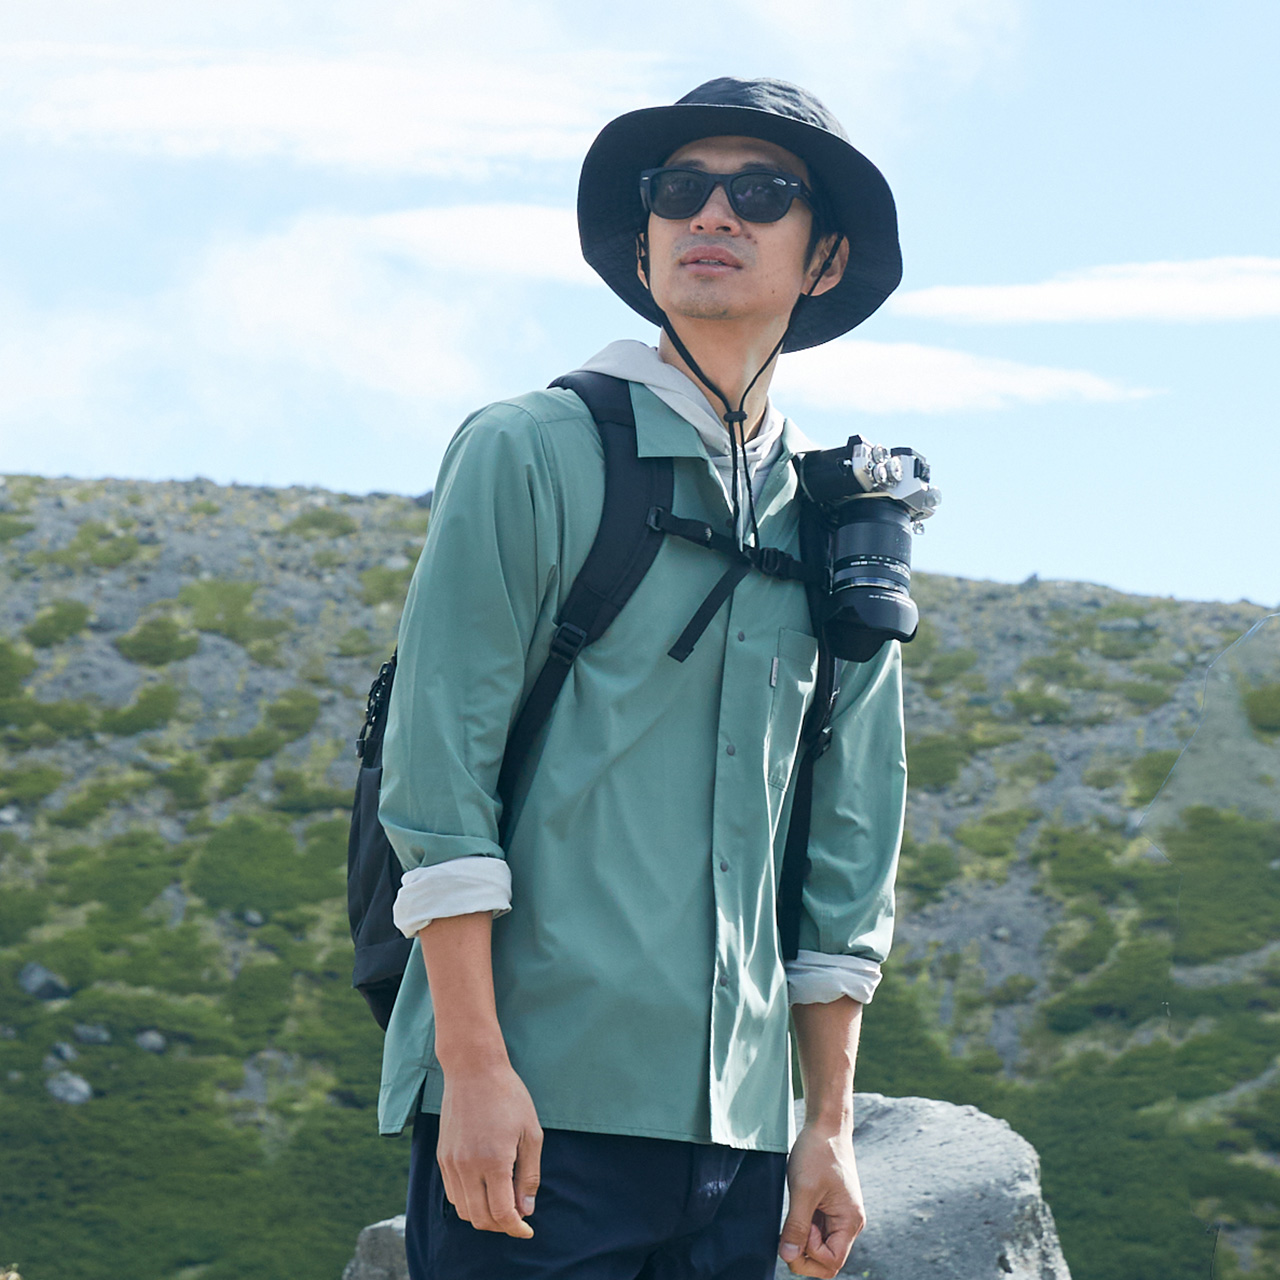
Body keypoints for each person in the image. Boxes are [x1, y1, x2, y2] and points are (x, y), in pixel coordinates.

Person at [376, 76, 907, 1280]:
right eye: (679, 190)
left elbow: (850, 844)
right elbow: (436, 777)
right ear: (642, 237)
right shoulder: (528, 449)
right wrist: (474, 1068)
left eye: (759, 194)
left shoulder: (841, 523)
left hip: (743, 1137)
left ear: (823, 258)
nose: (710, 215)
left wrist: (822, 1123)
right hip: (536, 1107)